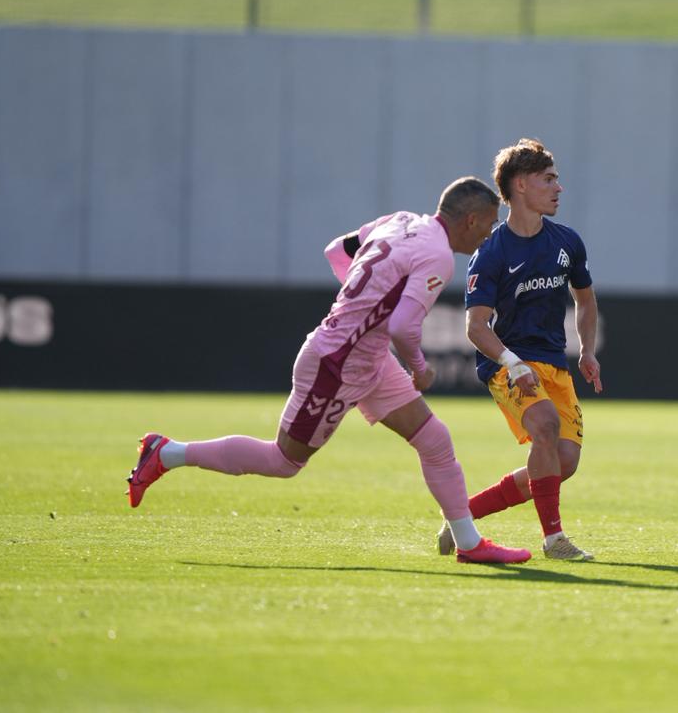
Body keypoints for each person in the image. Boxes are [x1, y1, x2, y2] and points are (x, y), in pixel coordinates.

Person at [125, 177, 532, 565]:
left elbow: (337, 251)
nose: (488, 235)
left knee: (435, 440)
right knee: (284, 460)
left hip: (364, 355)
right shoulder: (439, 255)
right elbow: (403, 326)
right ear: (471, 220)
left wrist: (358, 303)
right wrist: (420, 369)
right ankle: (168, 453)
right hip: (338, 363)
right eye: (489, 224)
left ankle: (468, 543)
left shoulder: (401, 220)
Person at [435, 138, 603, 562]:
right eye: (549, 179)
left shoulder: (567, 243)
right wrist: (511, 363)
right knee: (544, 427)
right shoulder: (490, 252)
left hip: (554, 365)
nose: (558, 188)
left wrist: (587, 350)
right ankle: (555, 541)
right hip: (506, 364)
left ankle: (463, 518)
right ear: (521, 185)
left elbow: (585, 299)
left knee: (562, 462)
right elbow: (475, 327)